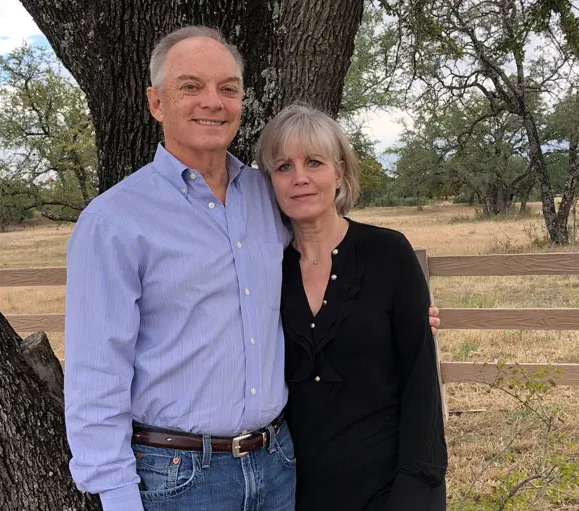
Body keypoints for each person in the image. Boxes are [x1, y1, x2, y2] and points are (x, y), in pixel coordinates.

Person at [64, 25, 442, 511]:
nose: (212, 102)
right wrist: (116, 497)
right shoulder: (113, 221)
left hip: (278, 464)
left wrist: (408, 314)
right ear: (156, 104)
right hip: (178, 476)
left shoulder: (266, 197)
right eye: (191, 87)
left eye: (227, 88)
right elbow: (97, 372)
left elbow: (332, 262)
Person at [255, 104, 448, 511]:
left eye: (314, 162)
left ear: (339, 172)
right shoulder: (265, 267)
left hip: (389, 484)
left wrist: (417, 484)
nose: (300, 178)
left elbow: (421, 378)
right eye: (284, 167)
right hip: (291, 487)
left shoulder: (388, 253)